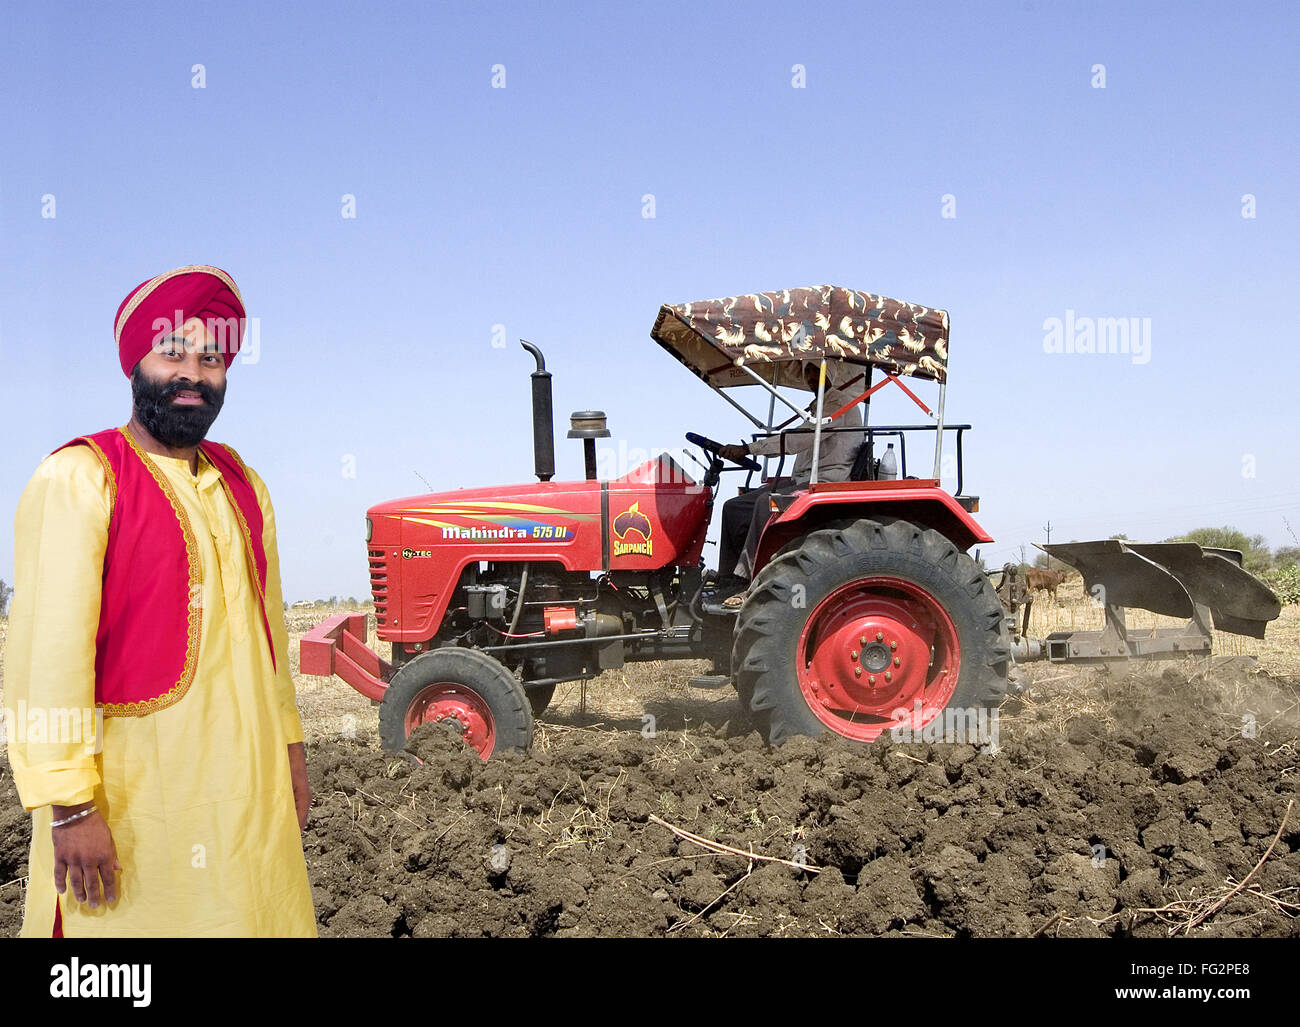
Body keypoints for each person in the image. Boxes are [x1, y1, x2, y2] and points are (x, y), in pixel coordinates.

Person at [5, 265, 316, 937]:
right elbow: (45, 654)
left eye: (211, 359)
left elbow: (269, 636)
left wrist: (291, 748)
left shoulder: (243, 484)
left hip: (250, 796)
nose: (193, 373)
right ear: (135, 364)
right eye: (172, 351)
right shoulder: (82, 478)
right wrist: (68, 806)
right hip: (137, 807)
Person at [714, 360, 865, 603]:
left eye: (817, 370)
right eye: (808, 372)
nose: (812, 377)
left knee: (767, 503)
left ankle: (753, 582)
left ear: (831, 373)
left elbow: (798, 440)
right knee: (734, 507)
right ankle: (728, 578)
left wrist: (749, 449)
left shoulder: (838, 403)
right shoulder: (817, 405)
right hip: (805, 478)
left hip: (827, 480)